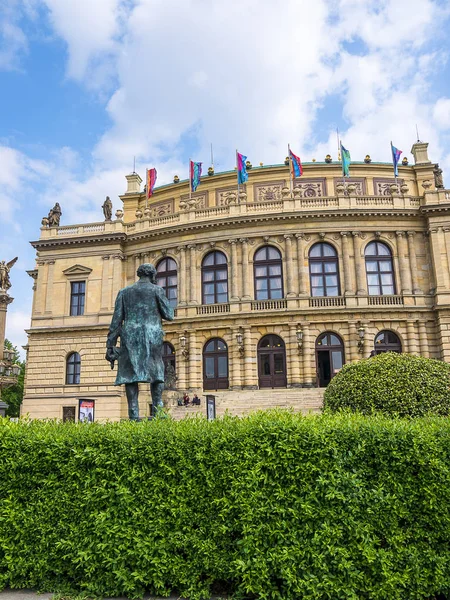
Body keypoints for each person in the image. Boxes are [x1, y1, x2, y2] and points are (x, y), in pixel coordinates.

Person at [105, 263, 174, 420]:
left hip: (130, 336)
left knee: (130, 375)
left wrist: (110, 344)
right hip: (152, 335)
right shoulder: (157, 290)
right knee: (156, 371)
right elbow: (169, 315)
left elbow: (116, 321)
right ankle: (158, 412)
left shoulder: (124, 292)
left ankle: (133, 414)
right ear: (153, 275)